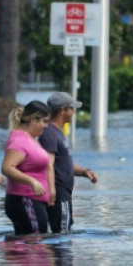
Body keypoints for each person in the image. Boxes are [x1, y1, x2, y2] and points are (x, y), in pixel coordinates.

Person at [38, 92, 98, 233]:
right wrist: (52, 190)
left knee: (63, 232)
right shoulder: (49, 133)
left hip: (64, 193)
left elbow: (64, 162)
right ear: (62, 110)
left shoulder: (57, 132)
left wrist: (84, 172)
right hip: (58, 194)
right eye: (72, 108)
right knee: (62, 235)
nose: (74, 112)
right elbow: (48, 164)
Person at [1, 100, 53, 235]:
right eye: (44, 121)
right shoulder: (19, 140)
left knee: (26, 244)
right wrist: (32, 181)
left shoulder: (30, 138)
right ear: (33, 119)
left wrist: (50, 190)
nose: (46, 126)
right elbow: (7, 167)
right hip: (25, 200)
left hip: (31, 201)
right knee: (36, 242)